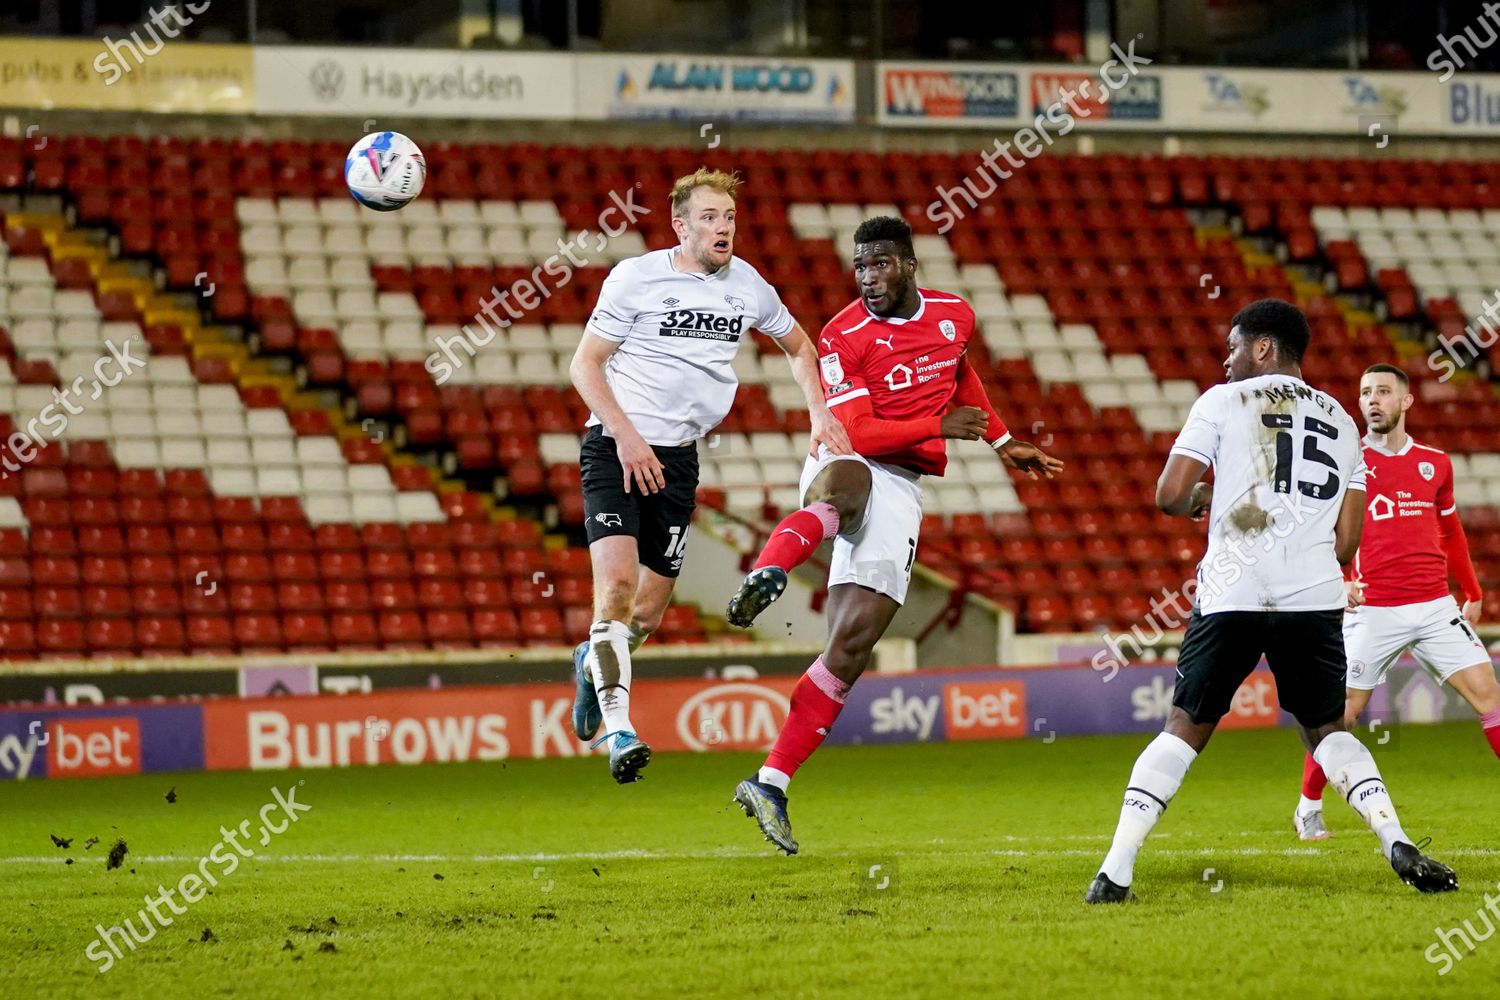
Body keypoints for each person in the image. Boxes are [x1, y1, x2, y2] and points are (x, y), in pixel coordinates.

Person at [1084, 299, 1458, 902]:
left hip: (1232, 591)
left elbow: (1169, 495)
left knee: (1185, 726)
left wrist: (1204, 499)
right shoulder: (1342, 421)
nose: (1226, 359)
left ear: (1263, 347)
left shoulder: (1222, 401)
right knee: (1327, 729)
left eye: (1233, 347)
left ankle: (1115, 871)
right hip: (1311, 596)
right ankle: (1396, 840)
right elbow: (1347, 544)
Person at [725, 215, 1062, 853]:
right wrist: (939, 425)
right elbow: (860, 433)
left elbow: (961, 375)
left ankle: (770, 783)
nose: (868, 278)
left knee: (850, 648)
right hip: (850, 455)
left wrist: (1002, 440)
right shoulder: (842, 334)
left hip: (904, 484)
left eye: (879, 264)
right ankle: (771, 568)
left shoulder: (954, 315)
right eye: (860, 267)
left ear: (909, 264)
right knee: (846, 489)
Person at [567, 168, 851, 784]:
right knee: (616, 590)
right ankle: (619, 731)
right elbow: (584, 366)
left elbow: (801, 348)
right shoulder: (636, 278)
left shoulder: (747, 285)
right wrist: (627, 438)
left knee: (645, 616)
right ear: (680, 225)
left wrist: (819, 413)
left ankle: (593, 662)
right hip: (615, 448)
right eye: (709, 218)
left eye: (729, 218)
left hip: (677, 460)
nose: (724, 228)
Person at [1292, 363, 1499, 840]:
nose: (1372, 400)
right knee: (1341, 715)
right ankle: (1308, 806)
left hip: (1434, 605)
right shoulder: (1346, 460)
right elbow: (1312, 528)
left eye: (1383, 391)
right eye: (1366, 392)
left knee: (1489, 696)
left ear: (1406, 401)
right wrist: (1338, 579)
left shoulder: (1435, 463)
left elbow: (1451, 532)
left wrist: (1472, 590)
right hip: (1372, 609)